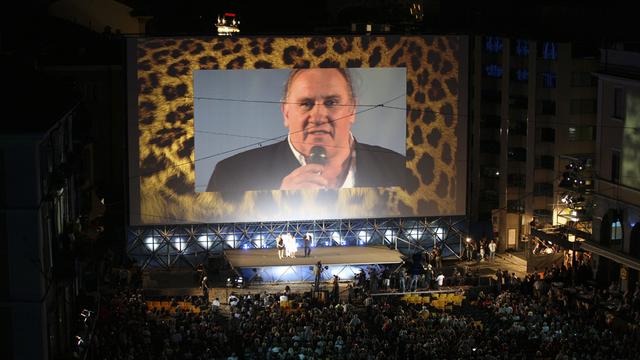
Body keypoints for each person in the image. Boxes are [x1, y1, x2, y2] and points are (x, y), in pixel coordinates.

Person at [206, 68, 406, 192]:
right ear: (286, 113)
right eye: (306, 103)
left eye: (331, 102)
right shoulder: (231, 175)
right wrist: (276, 200)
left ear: (352, 109)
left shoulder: (400, 169)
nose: (318, 116)